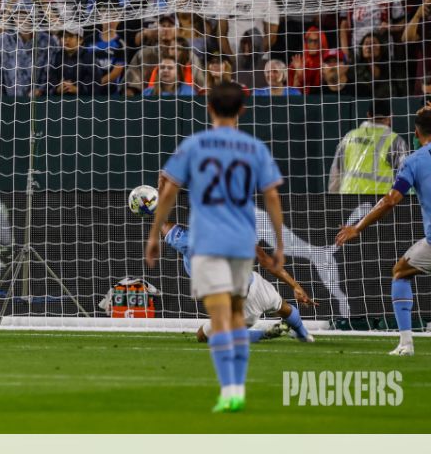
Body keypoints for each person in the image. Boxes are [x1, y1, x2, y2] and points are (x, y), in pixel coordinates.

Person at [146, 81, 286, 413]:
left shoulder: (194, 145)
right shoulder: (253, 148)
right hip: (239, 240)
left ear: (209, 108)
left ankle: (230, 389)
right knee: (237, 313)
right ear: (242, 110)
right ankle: (238, 384)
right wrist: (279, 242)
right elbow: (272, 196)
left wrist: (154, 235)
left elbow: (167, 190)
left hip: (207, 240)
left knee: (220, 315)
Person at [336, 105, 431, 357]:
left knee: (400, 273)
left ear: (416, 132)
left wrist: (357, 227)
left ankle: (406, 344)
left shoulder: (415, 161)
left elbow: (390, 200)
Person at [161, 221, 314, 344]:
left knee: (202, 336)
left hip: (240, 307)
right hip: (256, 285)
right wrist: (295, 286)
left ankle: (262, 334)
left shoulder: (191, 244)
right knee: (283, 307)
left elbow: (166, 226)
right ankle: (304, 334)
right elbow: (267, 262)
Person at [328, 100, 410, 195]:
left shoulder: (350, 136)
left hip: (347, 198)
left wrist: (333, 200)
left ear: (368, 115)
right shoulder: (396, 141)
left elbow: (336, 173)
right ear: (390, 117)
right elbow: (406, 177)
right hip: (378, 203)